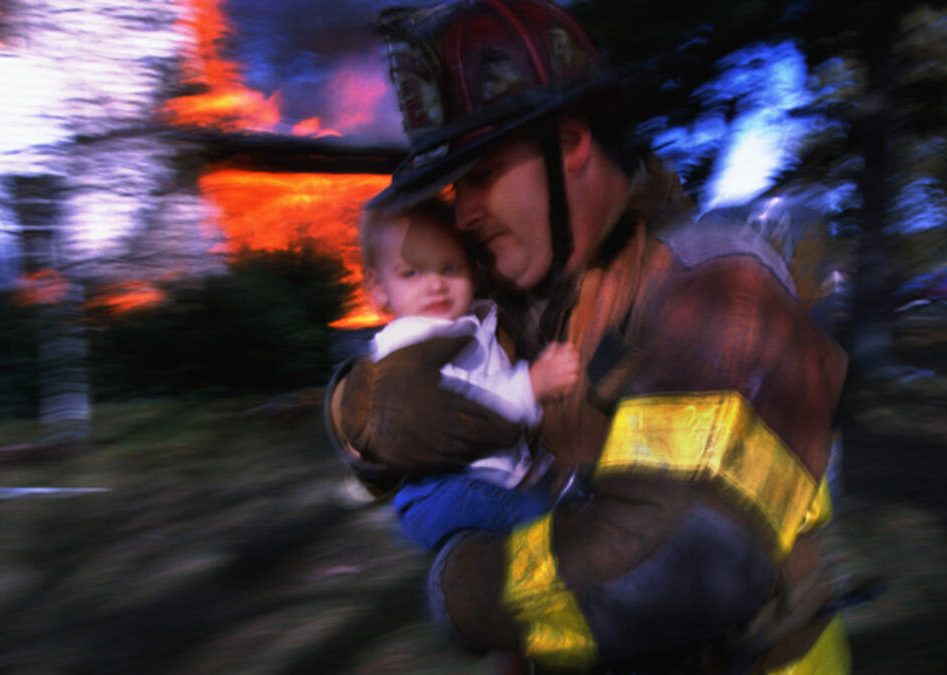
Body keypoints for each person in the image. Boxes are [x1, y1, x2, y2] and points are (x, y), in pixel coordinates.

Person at [325, 1, 851, 672]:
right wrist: (356, 411)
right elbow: (388, 419)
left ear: (571, 144)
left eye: (480, 174)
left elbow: (672, 564)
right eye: (456, 187)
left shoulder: (720, 286)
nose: (463, 211)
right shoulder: (525, 292)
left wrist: (462, 591)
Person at [354, 198, 582, 552]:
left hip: (491, 479)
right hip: (441, 489)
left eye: (450, 267)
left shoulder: (474, 318)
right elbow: (458, 404)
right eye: (411, 273)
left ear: (472, 269)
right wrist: (532, 384)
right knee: (537, 520)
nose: (436, 285)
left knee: (541, 506)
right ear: (379, 288)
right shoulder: (408, 341)